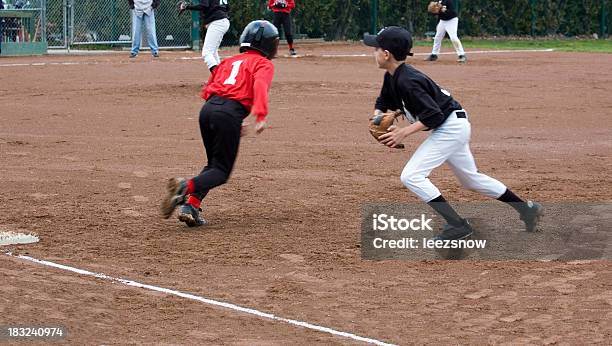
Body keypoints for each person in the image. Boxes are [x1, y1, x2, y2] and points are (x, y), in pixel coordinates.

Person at [363, 27, 543, 241]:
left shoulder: (408, 81)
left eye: (375, 48)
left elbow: (434, 114)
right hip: (452, 125)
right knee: (471, 180)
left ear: (386, 54)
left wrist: (403, 133)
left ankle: (457, 225)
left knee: (411, 176)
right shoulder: (393, 76)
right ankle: (527, 209)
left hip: (449, 127)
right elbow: (383, 102)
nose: (372, 52)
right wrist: (377, 118)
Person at [161, 20, 279, 227]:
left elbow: (210, 88)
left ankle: (191, 207)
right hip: (228, 113)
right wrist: (260, 116)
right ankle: (184, 187)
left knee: (213, 165)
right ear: (270, 45)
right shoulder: (263, 64)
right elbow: (260, 85)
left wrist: (226, 115)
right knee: (221, 172)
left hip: (208, 110)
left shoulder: (229, 61)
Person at [179, 0, 230, 73]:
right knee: (213, 52)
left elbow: (204, 6)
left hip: (217, 22)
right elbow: (227, 8)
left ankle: (217, 76)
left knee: (207, 53)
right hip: (223, 21)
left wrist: (187, 7)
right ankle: (220, 76)